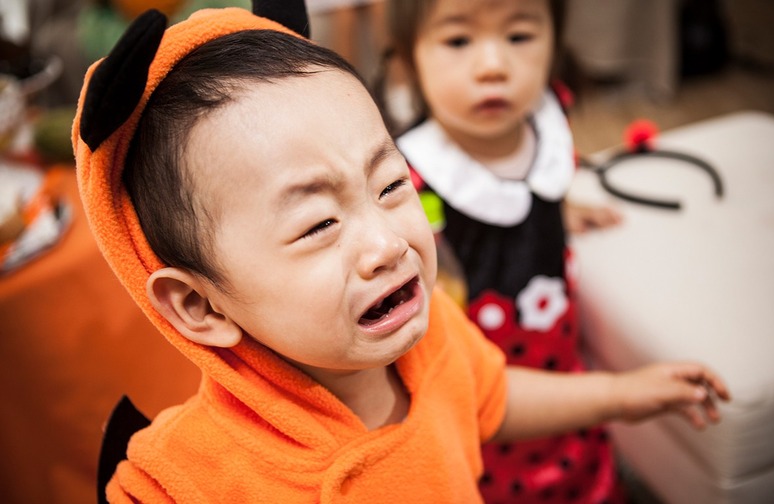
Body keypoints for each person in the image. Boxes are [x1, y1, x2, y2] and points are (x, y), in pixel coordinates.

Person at [73, 2, 729, 502]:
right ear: (199, 305)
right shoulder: (191, 480)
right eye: (318, 225)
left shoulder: (431, 335)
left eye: (390, 187)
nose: (389, 245)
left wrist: (621, 394)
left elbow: (489, 395)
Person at [378, 0, 665, 502]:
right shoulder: (412, 174)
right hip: (480, 386)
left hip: (561, 350)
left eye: (519, 36)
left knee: (579, 441)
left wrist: (560, 208)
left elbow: (528, 187)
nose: (493, 66)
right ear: (409, 59)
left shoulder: (549, 116)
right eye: (458, 40)